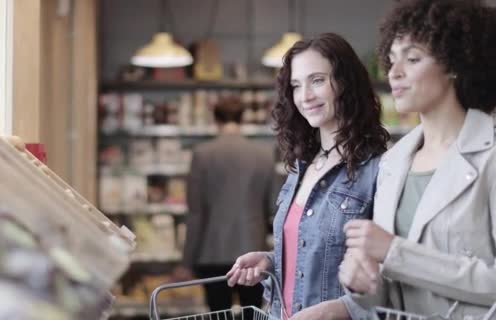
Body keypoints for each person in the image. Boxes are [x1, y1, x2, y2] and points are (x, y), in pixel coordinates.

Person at [338, 1, 496, 319]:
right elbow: (389, 293)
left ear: (454, 63)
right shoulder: (393, 162)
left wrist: (394, 251)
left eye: (412, 58)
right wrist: (361, 282)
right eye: (392, 60)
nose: (394, 72)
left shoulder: (490, 154)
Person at [225, 33, 390, 319]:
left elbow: (392, 279)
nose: (305, 97)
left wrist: (342, 310)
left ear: (346, 83)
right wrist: (270, 263)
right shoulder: (301, 168)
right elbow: (313, 256)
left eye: (317, 80)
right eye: (296, 86)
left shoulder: (378, 169)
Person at [172, 96, 275, 318]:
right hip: (253, 251)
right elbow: (274, 208)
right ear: (243, 118)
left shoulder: (202, 154)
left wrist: (186, 261)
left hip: (212, 253)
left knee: (218, 314)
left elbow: (196, 213)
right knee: (253, 313)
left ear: (215, 119)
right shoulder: (264, 155)